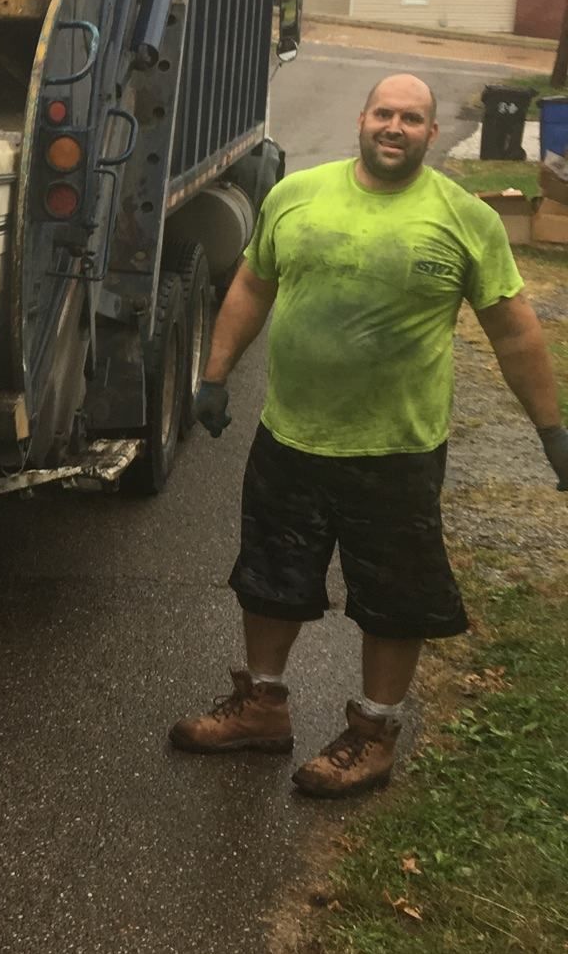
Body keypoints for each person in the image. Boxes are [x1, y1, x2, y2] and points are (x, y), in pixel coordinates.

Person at [171, 72, 568, 797]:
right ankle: (262, 705)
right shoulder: (297, 196)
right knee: (268, 577)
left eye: (411, 118)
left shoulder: (463, 217)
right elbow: (255, 284)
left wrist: (550, 432)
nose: (395, 126)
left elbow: (513, 333)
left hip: (397, 451)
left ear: (431, 133)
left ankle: (373, 731)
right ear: (362, 118)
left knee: (394, 595)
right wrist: (215, 374)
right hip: (290, 434)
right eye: (384, 112)